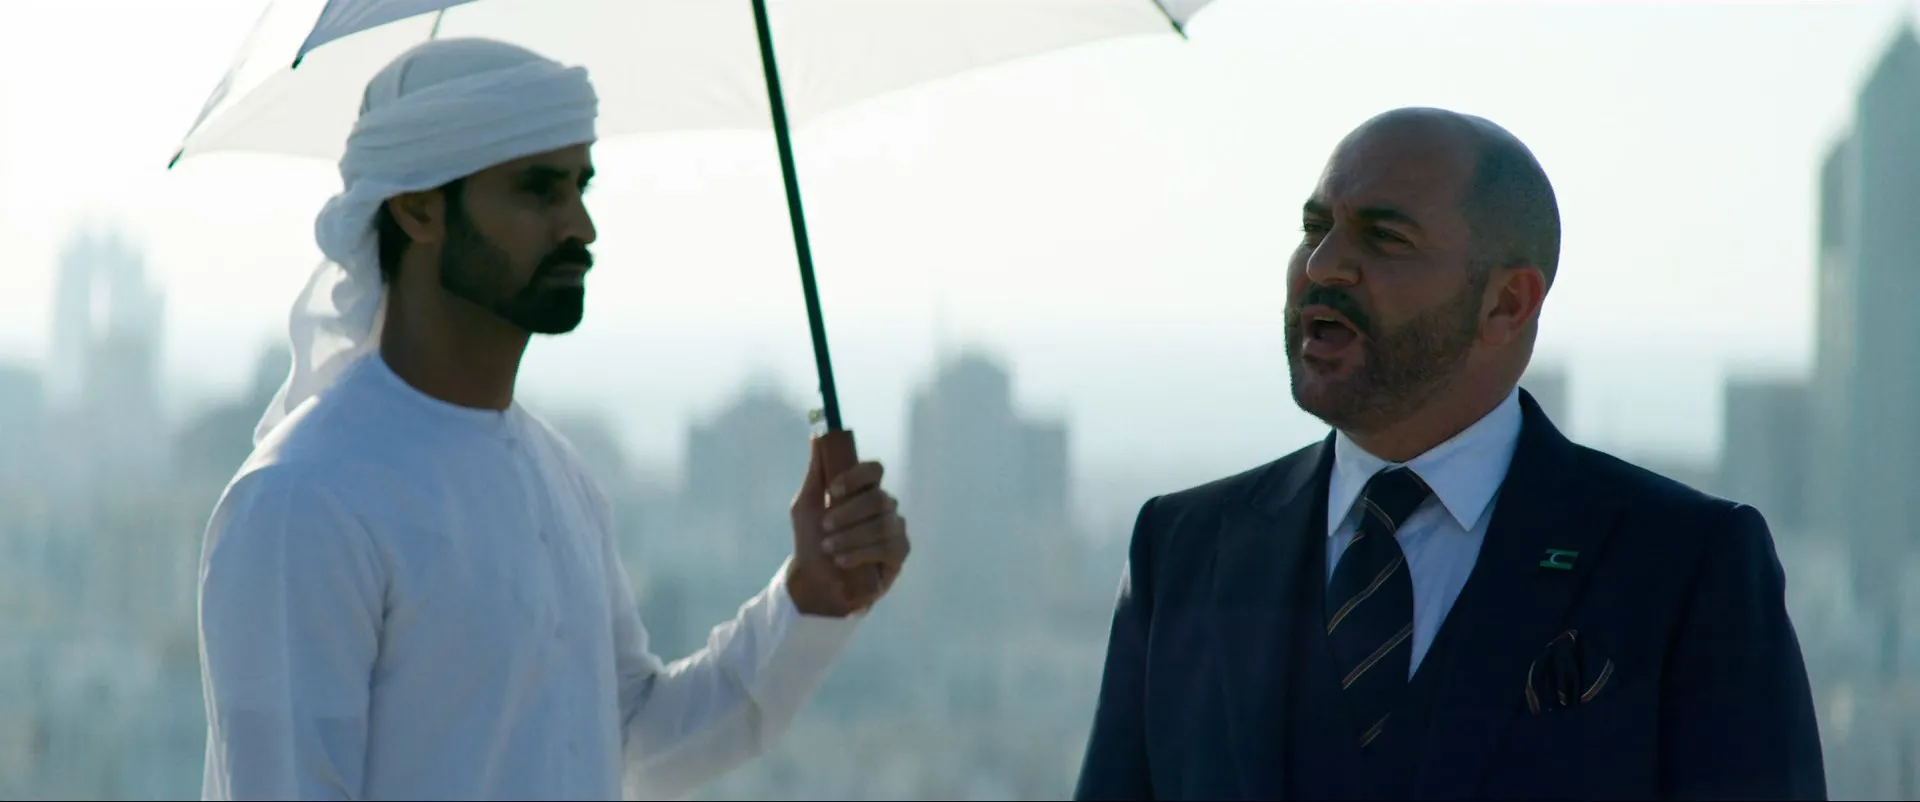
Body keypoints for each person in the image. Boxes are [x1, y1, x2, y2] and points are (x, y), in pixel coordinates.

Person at [196, 38, 911, 801]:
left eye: (580, 187)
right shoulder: (306, 500)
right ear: (419, 208)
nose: (581, 226)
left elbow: (628, 744)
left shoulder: (559, 477)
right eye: (538, 191)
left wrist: (809, 598)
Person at [1072, 107, 1825, 801]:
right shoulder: (1182, 552)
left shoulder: (1683, 567)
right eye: (1314, 228)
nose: (1324, 266)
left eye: (1384, 237)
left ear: (1507, 303)